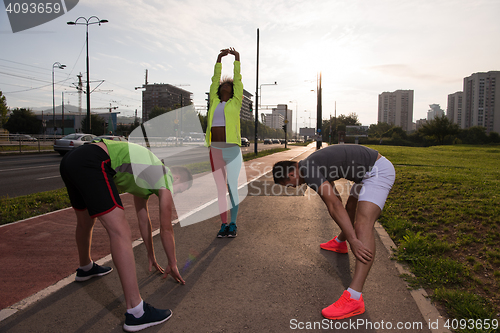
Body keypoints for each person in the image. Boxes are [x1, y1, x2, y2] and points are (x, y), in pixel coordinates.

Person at [59, 138, 192, 332]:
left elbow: (143, 218)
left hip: (73, 160)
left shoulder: (147, 175)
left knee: (86, 221)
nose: (177, 194)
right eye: (181, 190)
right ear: (178, 178)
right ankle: (136, 312)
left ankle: (86, 267)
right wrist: (172, 262)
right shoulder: (165, 176)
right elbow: (166, 228)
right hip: (94, 160)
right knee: (120, 231)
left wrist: (151, 255)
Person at [272, 144, 395, 320]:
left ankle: (354, 297)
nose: (292, 187)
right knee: (350, 206)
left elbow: (333, 205)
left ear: (292, 174)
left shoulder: (308, 170)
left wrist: (354, 239)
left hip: (377, 172)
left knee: (363, 225)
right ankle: (339, 243)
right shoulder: (311, 164)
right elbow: (336, 199)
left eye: (289, 185)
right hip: (366, 172)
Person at [205, 47, 244, 238]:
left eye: (229, 86)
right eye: (223, 86)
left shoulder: (236, 102)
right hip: (215, 150)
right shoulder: (214, 102)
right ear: (219, 91)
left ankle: (234, 224)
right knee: (221, 189)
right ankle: (223, 224)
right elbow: (214, 81)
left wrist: (237, 59)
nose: (226, 86)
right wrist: (219, 60)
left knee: (231, 187)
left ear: (234, 91)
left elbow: (238, 79)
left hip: (232, 150)